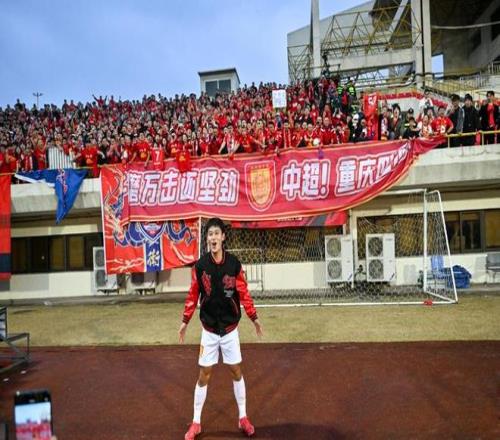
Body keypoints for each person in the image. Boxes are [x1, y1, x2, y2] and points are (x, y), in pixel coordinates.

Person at [179, 218, 263, 439]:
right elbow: (193, 294)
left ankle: (243, 417)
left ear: (223, 237)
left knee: (236, 371)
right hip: (209, 330)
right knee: (204, 374)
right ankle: (196, 422)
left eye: (217, 233)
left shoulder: (234, 264)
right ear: (207, 239)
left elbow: (244, 293)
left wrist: (253, 317)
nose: (213, 237)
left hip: (229, 329)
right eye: (210, 234)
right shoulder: (200, 266)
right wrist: (185, 320)